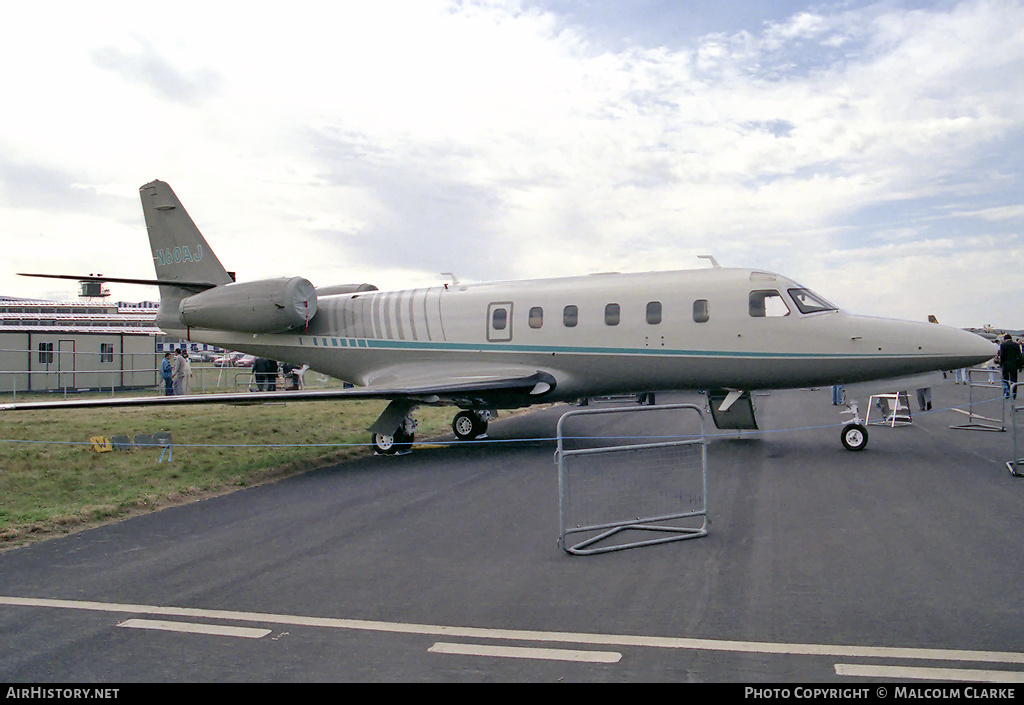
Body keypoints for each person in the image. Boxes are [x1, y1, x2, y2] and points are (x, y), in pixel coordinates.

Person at [999, 334, 1023, 399]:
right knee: (1014, 380)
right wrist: (1019, 366)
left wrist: (1001, 364)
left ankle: (1006, 393)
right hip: (1014, 364)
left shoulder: (1003, 345)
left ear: (1005, 339)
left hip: (1006, 364)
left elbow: (1002, 356)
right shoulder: (1016, 345)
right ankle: (1014, 394)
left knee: (1005, 379)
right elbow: (1019, 356)